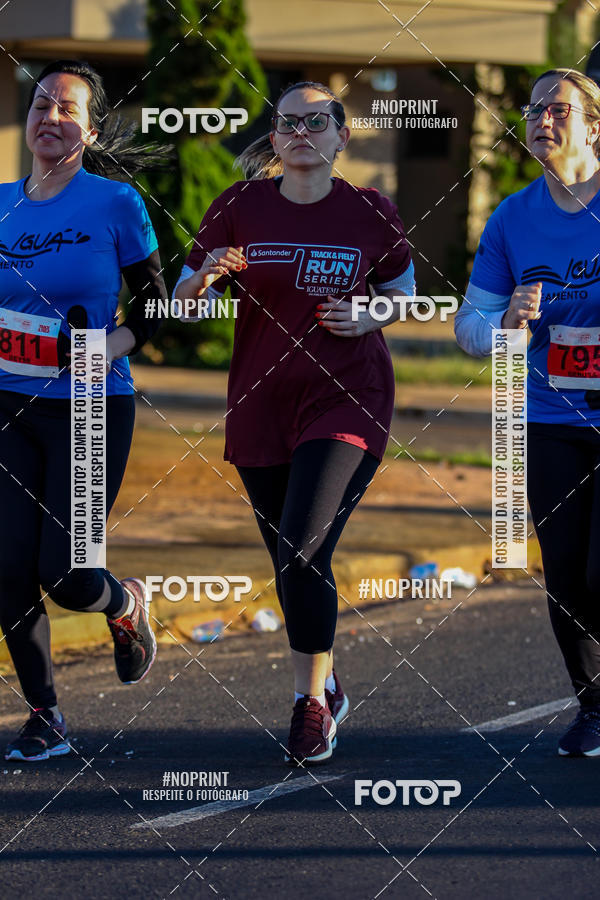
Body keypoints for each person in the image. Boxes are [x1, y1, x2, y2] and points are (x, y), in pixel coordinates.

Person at [173, 81, 415, 765]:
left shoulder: (370, 212)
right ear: (274, 139)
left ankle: (310, 707)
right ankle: (328, 679)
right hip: (260, 405)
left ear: (341, 137)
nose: (302, 132)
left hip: (348, 398)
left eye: (318, 122)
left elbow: (404, 293)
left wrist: (366, 315)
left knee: (303, 548)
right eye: (289, 123)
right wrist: (202, 281)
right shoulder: (239, 206)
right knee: (290, 559)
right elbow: (181, 302)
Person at [0, 60, 168, 762]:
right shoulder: (2, 201)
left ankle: (124, 605)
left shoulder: (117, 204)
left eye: (67, 108)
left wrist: (108, 346)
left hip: (92, 407)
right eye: (41, 104)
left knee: (66, 577)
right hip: (8, 402)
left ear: (91, 128)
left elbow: (158, 304)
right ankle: (46, 715)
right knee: (7, 569)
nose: (50, 117)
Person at [455, 68, 600, 756]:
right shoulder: (513, 217)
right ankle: (594, 706)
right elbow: (469, 329)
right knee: (567, 574)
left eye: (559, 108)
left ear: (594, 125)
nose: (542, 117)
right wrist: (506, 325)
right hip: (547, 416)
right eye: (534, 107)